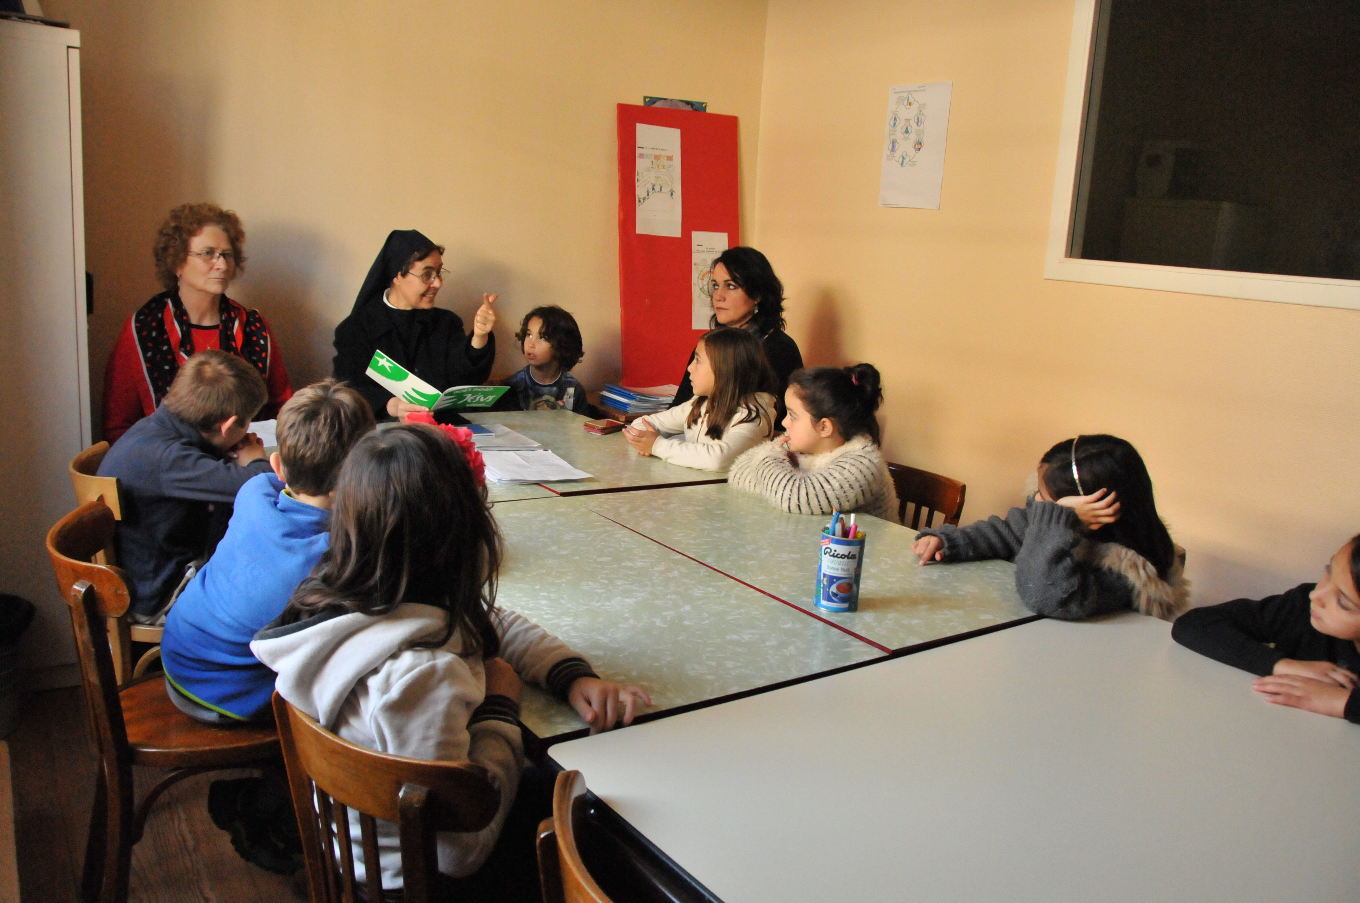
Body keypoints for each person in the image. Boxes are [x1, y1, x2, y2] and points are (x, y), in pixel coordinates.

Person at [251, 423, 651, 891]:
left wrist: (570, 674)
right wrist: (500, 707)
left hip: (355, 845)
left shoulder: (345, 600)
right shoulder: (422, 677)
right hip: (416, 882)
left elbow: (494, 621)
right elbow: (460, 853)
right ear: (466, 530)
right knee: (601, 807)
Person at [160, 380, 375, 723]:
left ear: (277, 465)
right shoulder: (337, 554)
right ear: (360, 481)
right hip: (229, 696)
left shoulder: (256, 490)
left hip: (178, 657)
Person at [911, 434, 1188, 620]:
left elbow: (1043, 595)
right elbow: (1003, 532)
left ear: (1092, 506)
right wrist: (949, 541)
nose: (1037, 501)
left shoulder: (1128, 568)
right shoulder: (1050, 518)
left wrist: (1058, 519)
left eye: (1047, 499)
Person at [97, 349, 272, 621]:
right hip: (163, 594)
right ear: (227, 426)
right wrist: (256, 459)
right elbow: (257, 485)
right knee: (277, 586)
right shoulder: (168, 459)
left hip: (153, 571)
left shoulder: (157, 428)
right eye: (247, 423)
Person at [102, 202, 292, 442]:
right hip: (167, 458)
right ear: (177, 262)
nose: (221, 264)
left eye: (227, 255)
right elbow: (118, 426)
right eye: (207, 253)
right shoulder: (144, 328)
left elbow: (281, 410)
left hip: (245, 456)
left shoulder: (253, 327)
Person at [1172, 536, 1360, 724]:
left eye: (1343, 602)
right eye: (1328, 571)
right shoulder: (1301, 606)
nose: (1316, 594)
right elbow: (1194, 623)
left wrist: (1343, 702)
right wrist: (1283, 665)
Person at [333, 229, 498, 419]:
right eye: (427, 275)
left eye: (438, 273)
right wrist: (390, 405)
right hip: (384, 430)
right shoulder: (355, 329)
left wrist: (479, 337)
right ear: (397, 275)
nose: (438, 283)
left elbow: (465, 379)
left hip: (442, 428)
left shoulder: (447, 323)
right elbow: (347, 389)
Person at [729, 364, 897, 521]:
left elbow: (794, 498)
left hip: (862, 544)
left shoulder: (862, 464)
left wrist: (771, 459)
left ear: (824, 427)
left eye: (792, 416)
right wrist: (774, 473)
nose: (784, 423)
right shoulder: (802, 446)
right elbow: (738, 472)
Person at [625, 327, 776, 472]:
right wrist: (647, 441)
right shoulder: (700, 403)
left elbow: (719, 460)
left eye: (697, 360)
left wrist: (657, 446)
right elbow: (640, 425)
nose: (689, 368)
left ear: (725, 368)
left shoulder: (754, 415)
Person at [670, 246, 803, 411]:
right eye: (715, 286)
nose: (718, 296)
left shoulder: (779, 349)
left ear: (757, 294)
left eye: (731, 286)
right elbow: (679, 406)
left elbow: (771, 418)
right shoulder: (710, 344)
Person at [504, 305, 591, 413]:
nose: (531, 344)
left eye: (542, 337)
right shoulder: (513, 386)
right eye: (529, 335)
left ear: (562, 344)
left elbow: (581, 423)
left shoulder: (574, 389)